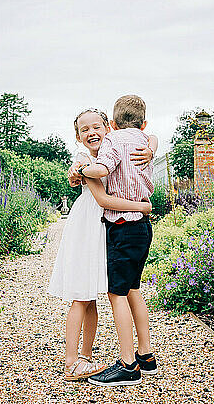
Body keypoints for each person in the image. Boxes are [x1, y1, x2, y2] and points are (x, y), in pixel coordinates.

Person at [47, 108, 156, 381]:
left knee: (92, 296)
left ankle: (85, 356)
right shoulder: (85, 161)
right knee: (82, 296)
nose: (91, 132)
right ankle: (72, 361)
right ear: (78, 136)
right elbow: (103, 201)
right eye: (85, 130)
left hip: (104, 230)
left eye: (97, 126)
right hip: (88, 228)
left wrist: (151, 149)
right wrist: (142, 207)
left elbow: (149, 136)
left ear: (109, 127)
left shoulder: (113, 151)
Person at [78, 95, 158, 387]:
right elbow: (154, 137)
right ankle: (146, 356)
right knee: (133, 288)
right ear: (143, 122)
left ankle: (128, 365)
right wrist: (150, 146)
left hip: (123, 227)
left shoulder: (112, 142)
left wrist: (82, 171)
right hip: (142, 228)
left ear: (111, 124)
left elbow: (103, 170)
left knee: (117, 294)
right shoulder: (144, 140)